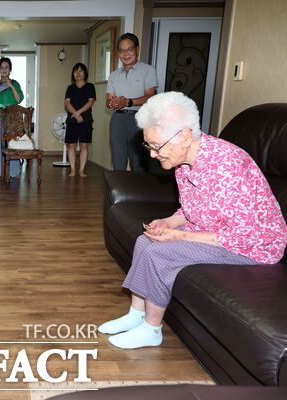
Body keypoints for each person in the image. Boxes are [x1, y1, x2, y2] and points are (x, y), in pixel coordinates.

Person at [98, 91, 287, 349]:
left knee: (159, 253)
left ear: (185, 137)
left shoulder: (227, 167)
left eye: (156, 146)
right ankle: (136, 314)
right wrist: (169, 223)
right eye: (149, 146)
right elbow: (192, 208)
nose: (152, 154)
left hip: (253, 246)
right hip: (216, 229)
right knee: (145, 241)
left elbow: (242, 235)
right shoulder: (184, 162)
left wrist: (178, 235)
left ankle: (151, 330)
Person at [106, 33, 158, 172]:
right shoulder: (113, 75)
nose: (126, 54)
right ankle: (119, 185)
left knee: (138, 161)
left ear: (137, 49)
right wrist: (113, 102)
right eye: (122, 50)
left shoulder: (148, 70)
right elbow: (108, 99)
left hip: (139, 118)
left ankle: (139, 186)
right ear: (118, 53)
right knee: (118, 159)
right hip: (118, 119)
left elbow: (150, 96)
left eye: (129, 49)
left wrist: (128, 102)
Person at [0, 57, 24, 178]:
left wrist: (11, 86)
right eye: (1, 67)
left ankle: (14, 171)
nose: (4, 69)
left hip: (11, 118)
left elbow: (19, 99)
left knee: (13, 143)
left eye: (6, 67)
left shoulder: (15, 83)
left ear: (10, 69)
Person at [64, 63, 96, 177]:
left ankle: (81, 170)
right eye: (75, 71)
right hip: (72, 120)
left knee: (84, 145)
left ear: (85, 73)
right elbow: (67, 103)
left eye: (80, 71)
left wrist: (79, 112)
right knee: (71, 145)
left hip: (86, 120)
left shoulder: (90, 86)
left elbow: (90, 102)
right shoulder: (70, 88)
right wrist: (75, 114)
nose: (78, 73)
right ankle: (73, 170)